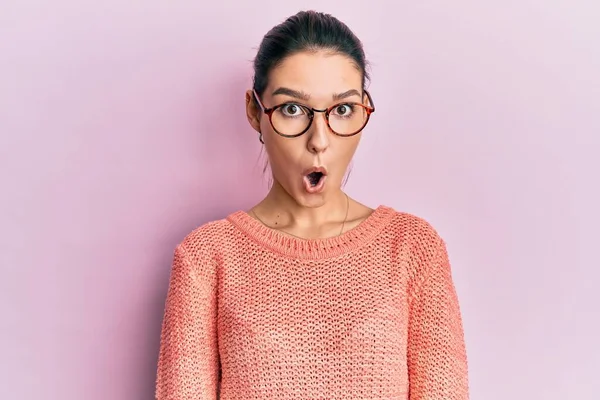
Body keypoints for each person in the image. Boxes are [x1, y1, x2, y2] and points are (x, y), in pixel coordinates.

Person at [155, 10, 469, 400]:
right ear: (255, 112)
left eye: (341, 110)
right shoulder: (206, 258)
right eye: (292, 109)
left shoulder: (412, 248)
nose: (319, 140)